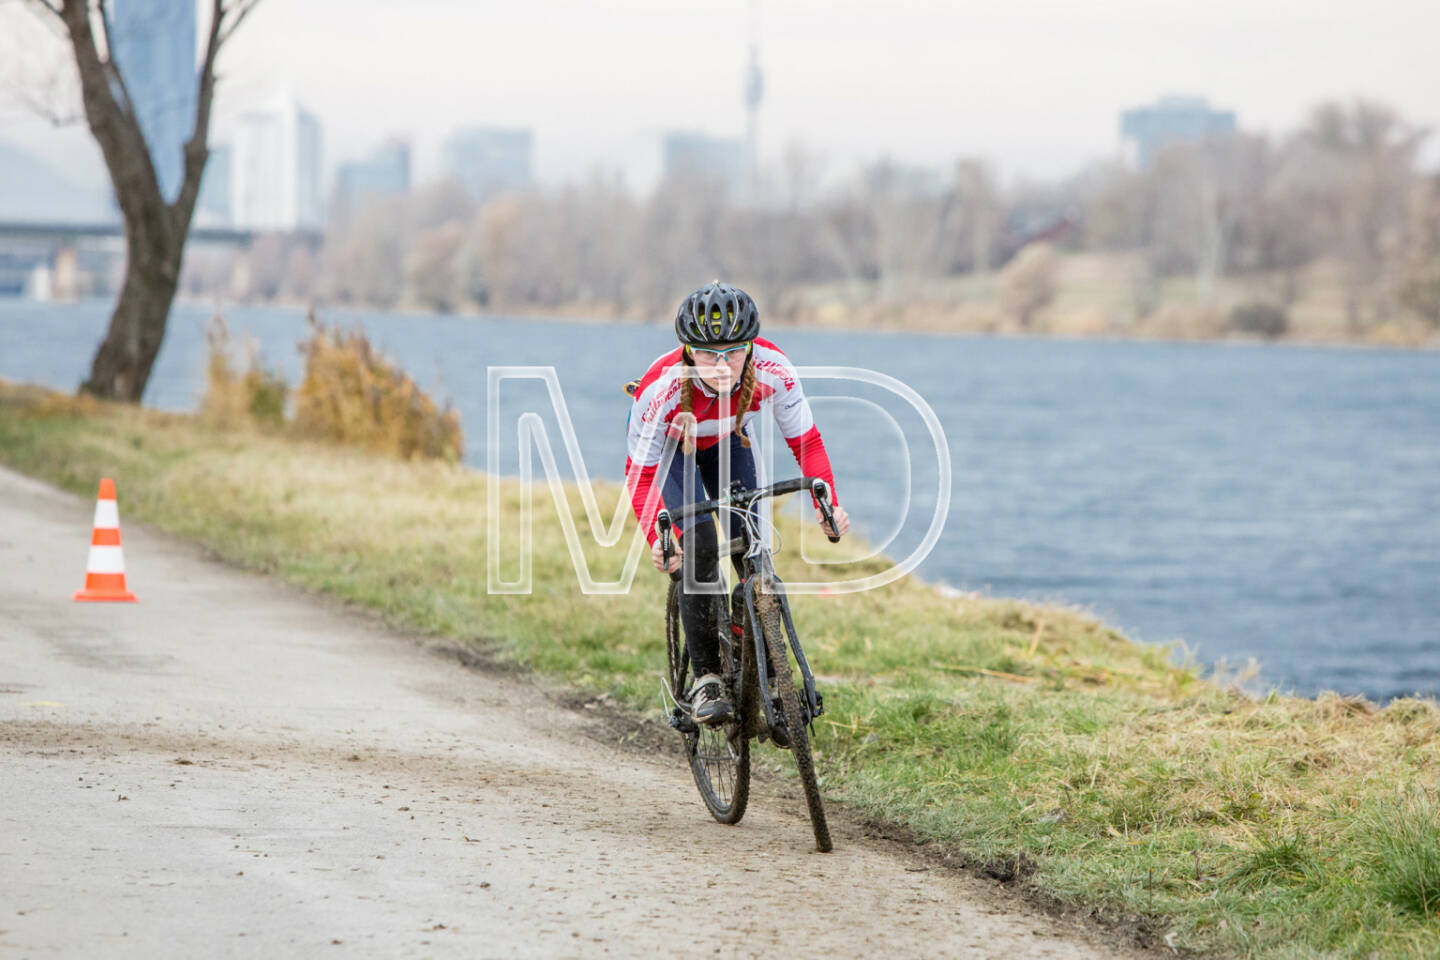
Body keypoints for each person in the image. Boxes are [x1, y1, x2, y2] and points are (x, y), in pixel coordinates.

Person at [624, 281, 850, 725]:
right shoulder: (662, 388)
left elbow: (806, 442)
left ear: (751, 348)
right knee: (701, 546)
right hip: (672, 453)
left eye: (734, 351)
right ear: (689, 352)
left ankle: (757, 658)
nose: (723, 365)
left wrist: (828, 506)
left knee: (754, 549)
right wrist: (660, 536)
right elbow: (641, 475)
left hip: (729, 441)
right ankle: (707, 677)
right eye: (709, 354)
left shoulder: (774, 369)